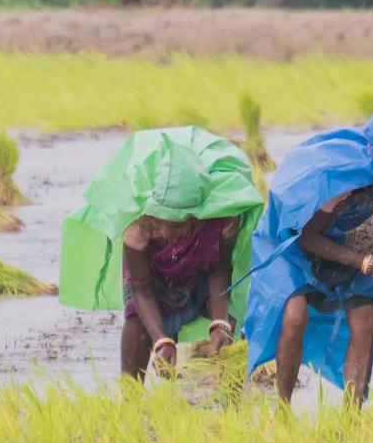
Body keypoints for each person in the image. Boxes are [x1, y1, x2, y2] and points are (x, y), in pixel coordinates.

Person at [246, 91, 373, 407]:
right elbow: (307, 237)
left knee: (365, 320)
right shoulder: (337, 182)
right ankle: (283, 406)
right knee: (294, 317)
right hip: (300, 254)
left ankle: (352, 417)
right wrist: (365, 263)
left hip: (360, 255)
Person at [57, 126, 265, 381]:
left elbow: (220, 269)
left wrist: (219, 323)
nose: (165, 231)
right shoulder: (139, 225)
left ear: (197, 217)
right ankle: (130, 400)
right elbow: (141, 288)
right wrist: (162, 340)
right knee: (137, 324)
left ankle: (232, 407)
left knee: (232, 326)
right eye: (159, 221)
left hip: (201, 269)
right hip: (152, 277)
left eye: (176, 224)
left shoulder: (222, 219)